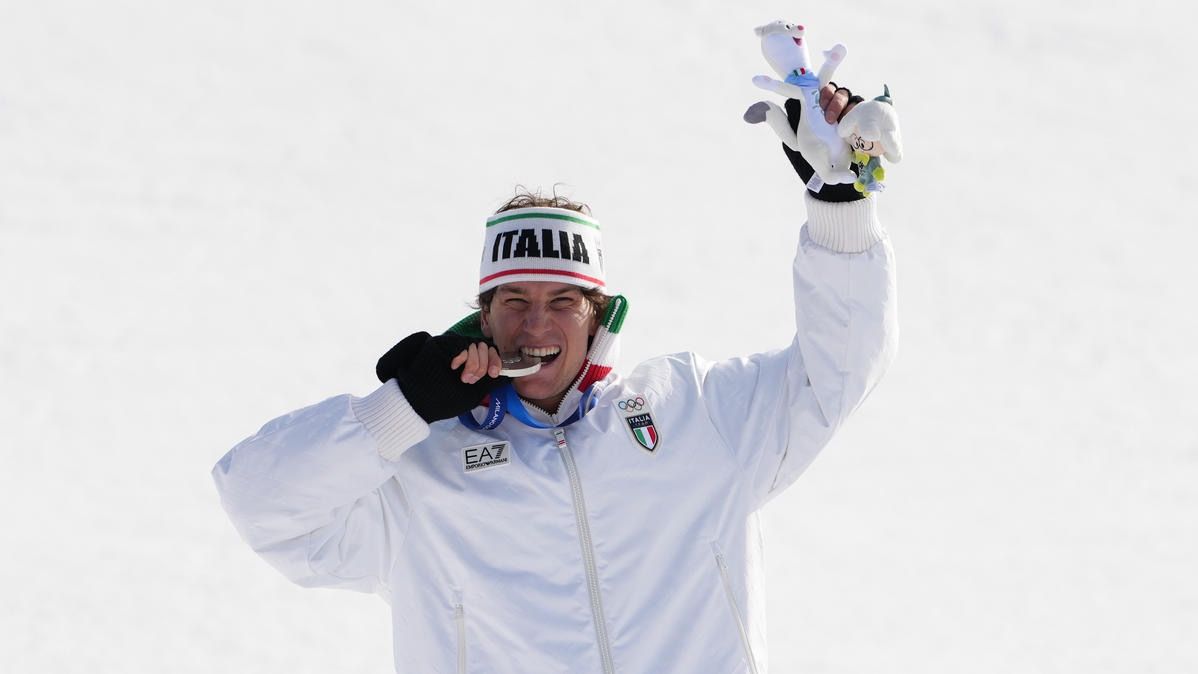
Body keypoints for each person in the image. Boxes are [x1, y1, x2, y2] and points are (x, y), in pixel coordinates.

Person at [212, 84, 898, 674]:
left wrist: (841, 211)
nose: (535, 326)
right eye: (514, 301)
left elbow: (834, 374)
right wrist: (401, 409)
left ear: (597, 314)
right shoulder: (422, 464)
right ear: (482, 316)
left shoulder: (695, 412)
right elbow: (260, 503)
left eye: (562, 301)